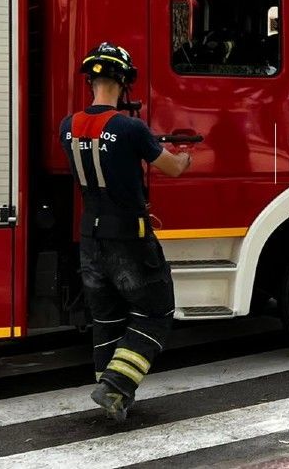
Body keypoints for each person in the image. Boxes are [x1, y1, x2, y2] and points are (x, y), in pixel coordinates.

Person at [59, 42, 193, 422]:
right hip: (128, 240)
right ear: (122, 81)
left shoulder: (67, 126)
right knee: (155, 312)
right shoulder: (130, 127)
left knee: (107, 321)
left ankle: (114, 402)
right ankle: (115, 385)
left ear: (91, 81)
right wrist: (183, 153)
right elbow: (173, 169)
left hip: (90, 239)